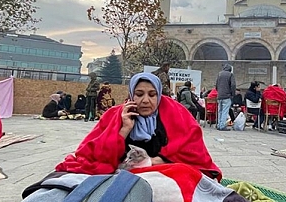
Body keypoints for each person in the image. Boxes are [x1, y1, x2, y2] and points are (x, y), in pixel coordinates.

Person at [56, 72, 222, 179]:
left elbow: (193, 154)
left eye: (152, 95)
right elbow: (93, 155)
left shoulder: (177, 114)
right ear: (131, 94)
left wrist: (155, 161)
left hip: (165, 174)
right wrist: (124, 130)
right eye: (139, 94)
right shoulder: (116, 115)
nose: (145, 100)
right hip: (123, 177)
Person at [215, 64, 236, 131]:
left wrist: (219, 91)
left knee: (220, 111)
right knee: (225, 111)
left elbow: (216, 84)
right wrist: (232, 94)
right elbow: (233, 85)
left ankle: (218, 125)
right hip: (227, 95)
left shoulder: (219, 74)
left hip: (219, 95)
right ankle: (222, 126)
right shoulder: (230, 75)